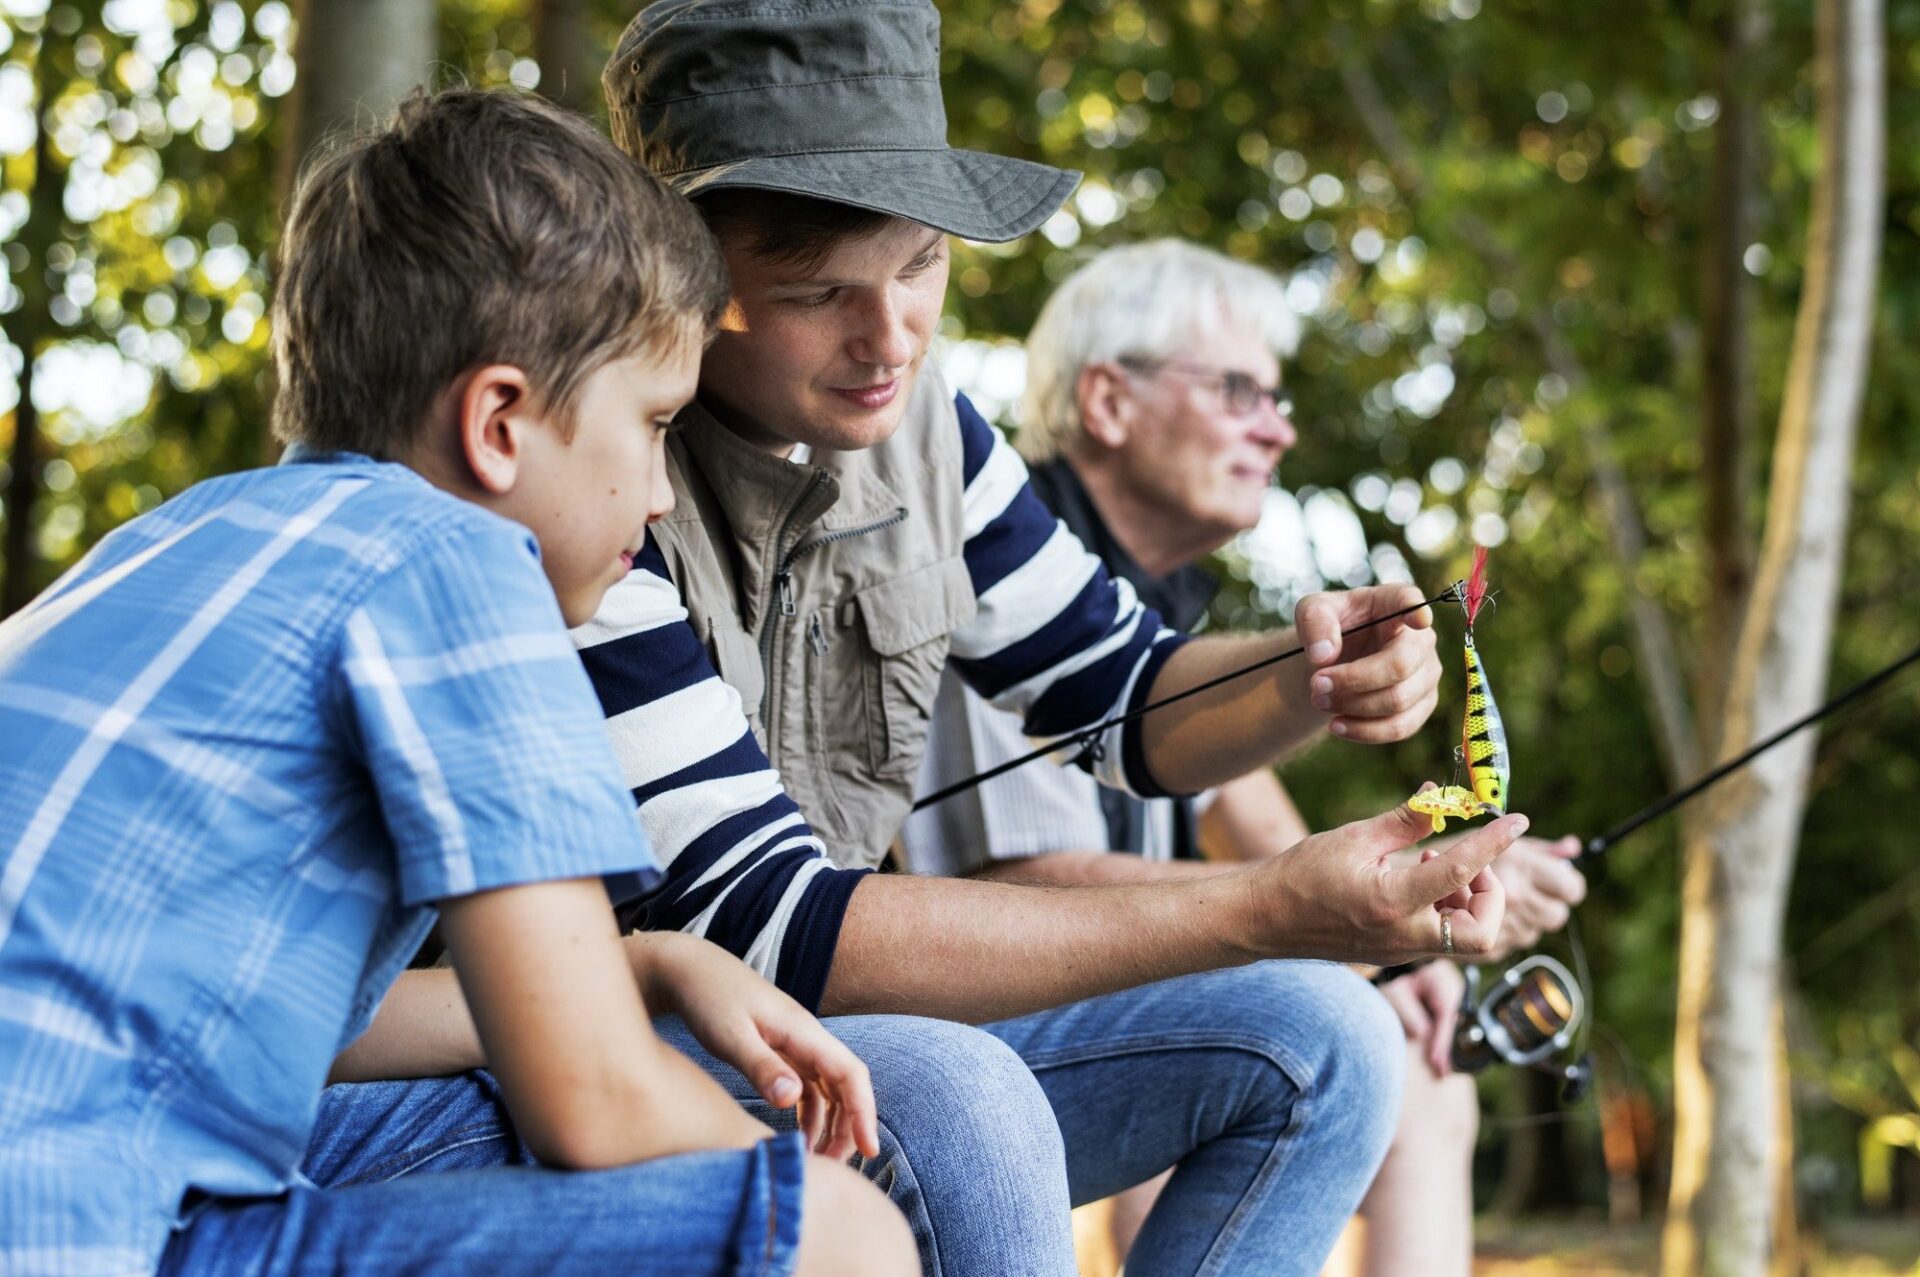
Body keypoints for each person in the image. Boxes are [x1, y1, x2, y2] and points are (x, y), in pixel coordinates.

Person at [549, 2, 1527, 1273]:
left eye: (921, 269)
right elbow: (771, 924)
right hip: (638, 1041)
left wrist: (1311, 670)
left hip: (843, 1034)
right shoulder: (591, 477)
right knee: (962, 1093)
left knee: (1334, 1031)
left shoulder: (928, 429)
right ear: (674, 275)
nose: (891, 341)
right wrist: (1268, 903)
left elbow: (1126, 697)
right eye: (815, 293)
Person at [0, 88, 912, 1277]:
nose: (659, 493)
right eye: (651, 424)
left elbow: (257, 1007)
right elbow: (594, 1106)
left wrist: (645, 962)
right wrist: (811, 1171)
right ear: (497, 423)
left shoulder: (161, 546)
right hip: (90, 1235)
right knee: (836, 1233)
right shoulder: (462, 563)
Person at [900, 239, 1591, 1277]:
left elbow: (1264, 827)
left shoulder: (1159, 628)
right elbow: (1030, 880)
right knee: (1329, 1033)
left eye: (1275, 396)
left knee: (1421, 1054)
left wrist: (1407, 922)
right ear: (1108, 401)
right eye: (1238, 390)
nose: (1280, 426)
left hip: (1061, 1013)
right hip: (958, 1027)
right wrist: (1329, 923)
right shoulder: (1015, 588)